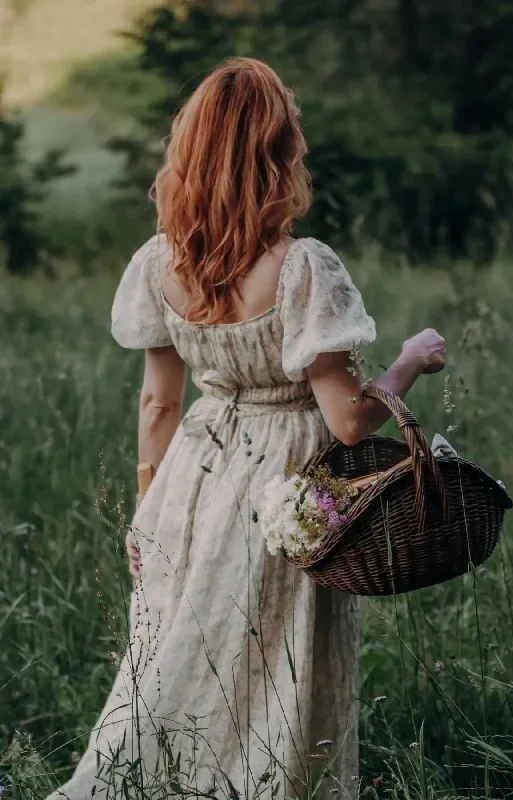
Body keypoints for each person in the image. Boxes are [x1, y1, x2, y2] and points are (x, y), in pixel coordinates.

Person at [47, 57, 446, 800]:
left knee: (175, 658)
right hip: (283, 494)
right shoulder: (302, 269)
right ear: (278, 152)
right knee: (278, 664)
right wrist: (410, 361)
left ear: (189, 151)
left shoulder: (161, 264)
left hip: (189, 477)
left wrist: (146, 511)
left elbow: (158, 404)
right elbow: (351, 424)